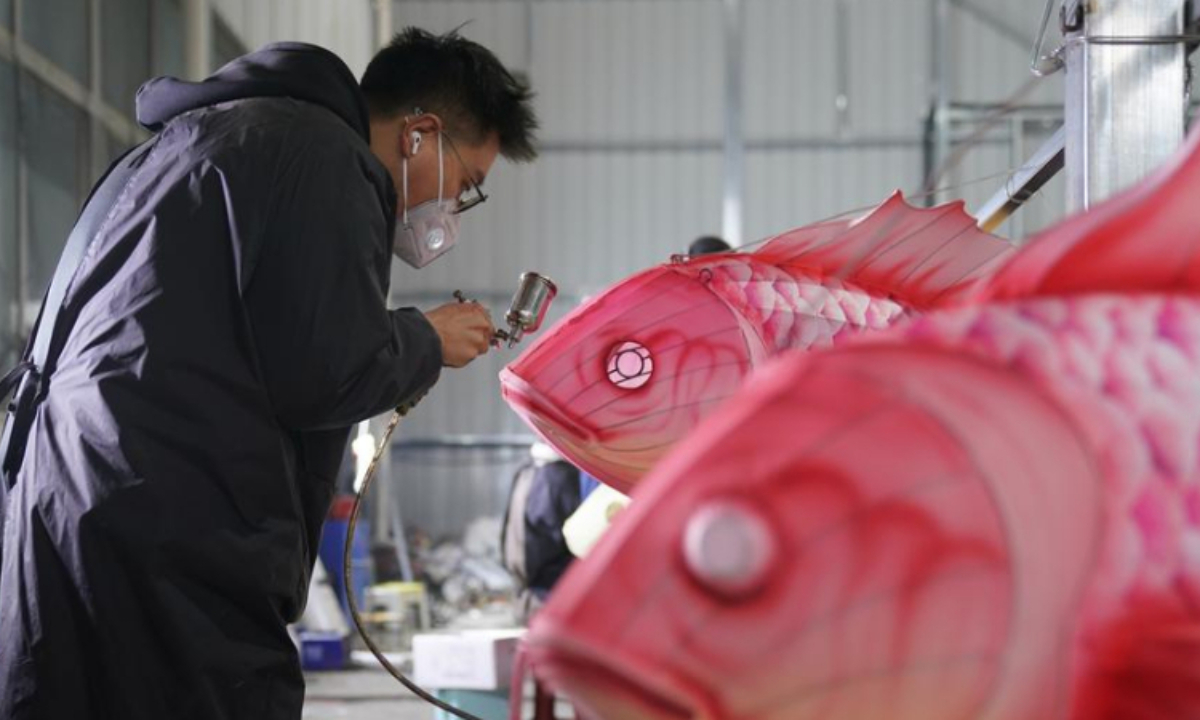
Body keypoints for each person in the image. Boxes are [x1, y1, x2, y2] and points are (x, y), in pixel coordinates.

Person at [0, 28, 537, 720]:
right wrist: (426, 339)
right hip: (167, 544)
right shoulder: (326, 157)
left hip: (63, 506)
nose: (452, 210)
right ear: (420, 135)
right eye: (465, 185)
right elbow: (326, 370)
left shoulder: (202, 143)